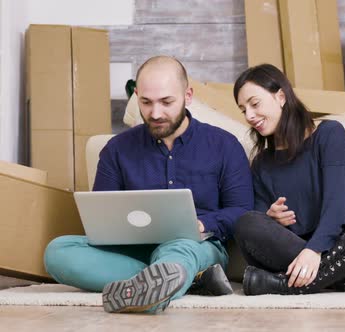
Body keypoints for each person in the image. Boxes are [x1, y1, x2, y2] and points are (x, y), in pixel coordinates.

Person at [44, 56, 253, 313]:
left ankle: (164, 280)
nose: (155, 113)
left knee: (180, 250)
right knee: (58, 251)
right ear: (137, 98)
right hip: (132, 250)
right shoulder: (117, 150)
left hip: (194, 246)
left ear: (188, 96)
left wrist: (201, 224)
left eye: (166, 102)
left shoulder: (224, 145)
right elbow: (103, 214)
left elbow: (242, 211)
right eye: (146, 102)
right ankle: (183, 281)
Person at [232, 64, 345, 296]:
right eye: (243, 110)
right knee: (246, 223)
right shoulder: (261, 163)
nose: (249, 116)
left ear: (281, 97)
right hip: (294, 254)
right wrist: (270, 217)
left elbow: (337, 206)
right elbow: (257, 223)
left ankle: (282, 285)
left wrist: (315, 250)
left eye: (254, 104)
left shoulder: (329, 135)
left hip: (344, 247)